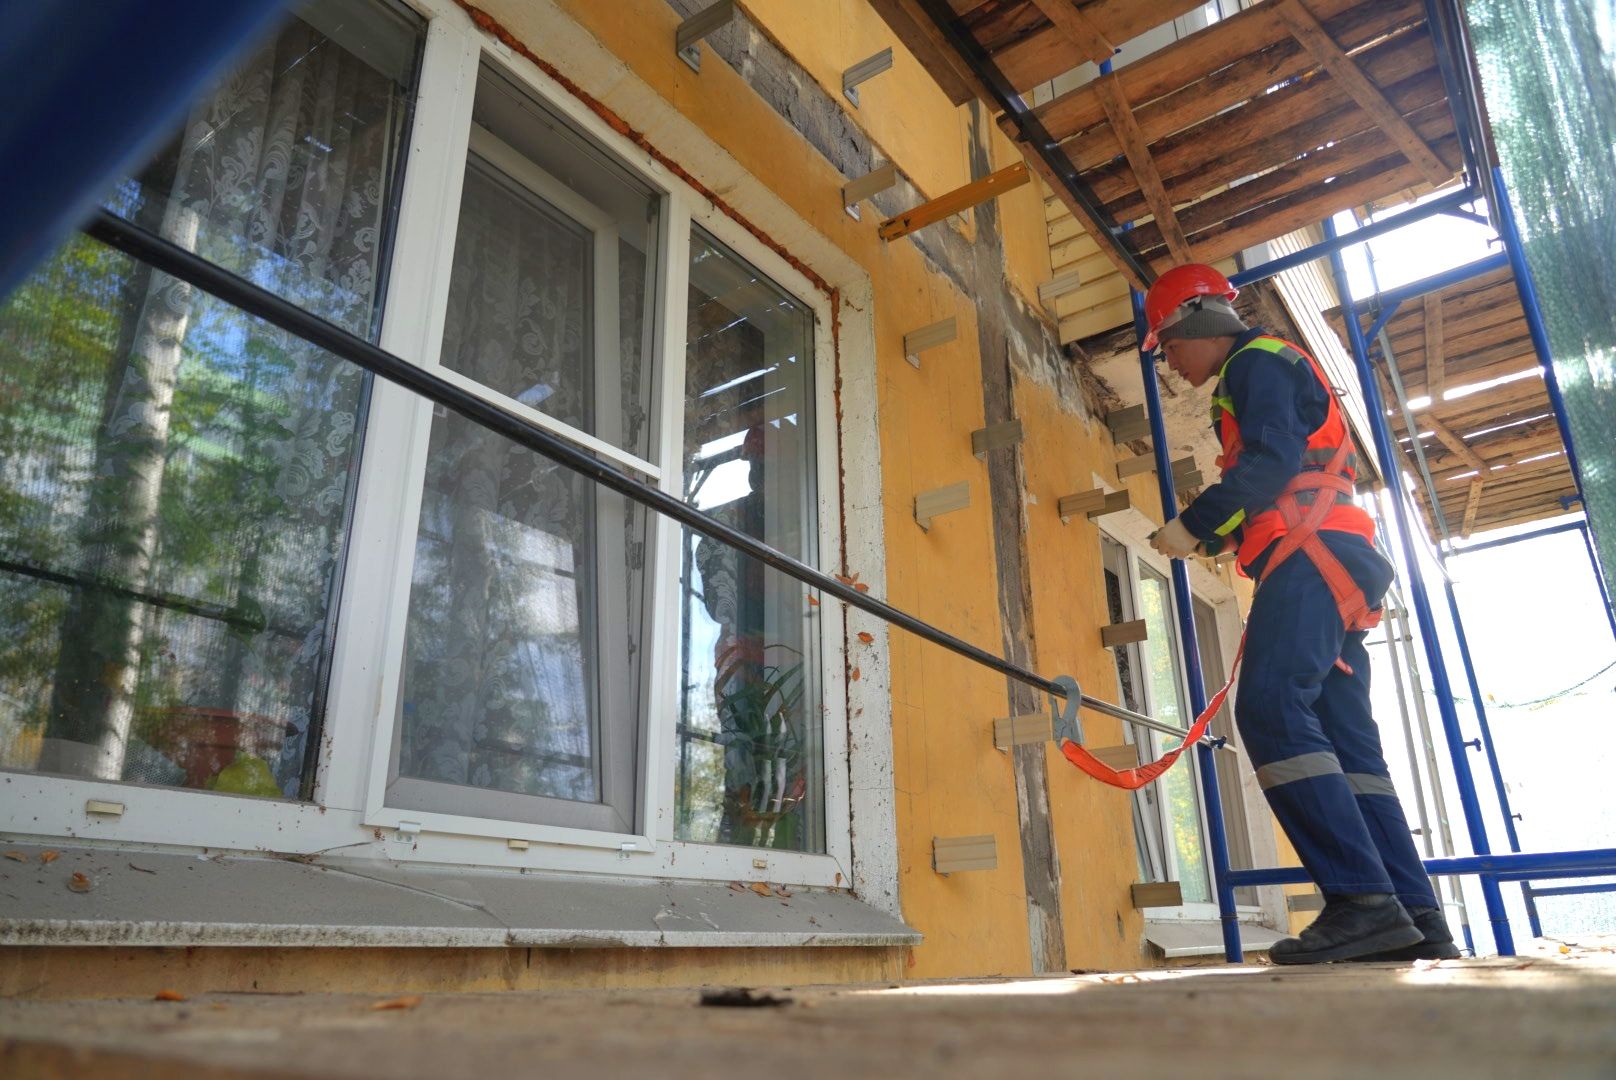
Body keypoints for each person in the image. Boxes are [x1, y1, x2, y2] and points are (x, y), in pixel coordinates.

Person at [1142, 263, 1459, 965]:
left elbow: (1272, 462)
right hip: (1336, 557)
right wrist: (1214, 537)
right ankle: (1414, 916)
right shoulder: (1267, 369)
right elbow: (1284, 474)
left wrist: (1194, 522)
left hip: (1311, 558)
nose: (1170, 362)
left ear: (1199, 319)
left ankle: (1361, 902)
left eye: (1169, 344)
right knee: (1349, 749)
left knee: (1270, 708)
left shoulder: (1252, 363)